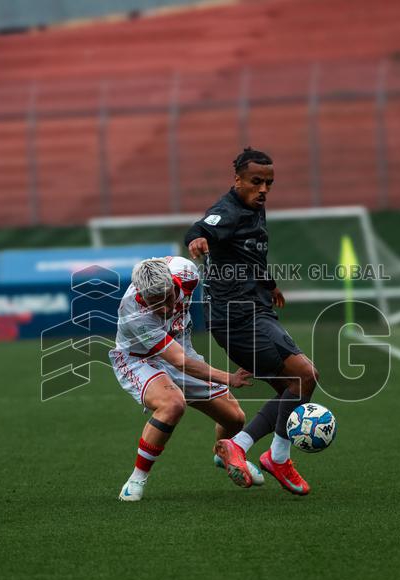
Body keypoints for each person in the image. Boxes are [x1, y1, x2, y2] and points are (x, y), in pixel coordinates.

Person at [185, 147, 319, 496]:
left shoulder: (255, 208)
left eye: (269, 183)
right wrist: (197, 240)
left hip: (254, 309)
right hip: (238, 317)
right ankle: (248, 447)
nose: (263, 189)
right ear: (238, 180)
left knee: (291, 393)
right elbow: (201, 229)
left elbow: (250, 253)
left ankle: (272, 456)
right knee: (304, 377)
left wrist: (270, 284)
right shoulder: (228, 210)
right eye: (256, 182)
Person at [112, 256, 254, 502]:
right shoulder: (133, 312)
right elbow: (180, 362)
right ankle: (136, 479)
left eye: (168, 298)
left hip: (179, 348)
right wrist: (229, 377)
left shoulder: (186, 271)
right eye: (156, 304)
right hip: (139, 359)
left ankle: (225, 452)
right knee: (172, 404)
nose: (166, 308)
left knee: (235, 419)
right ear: (143, 297)